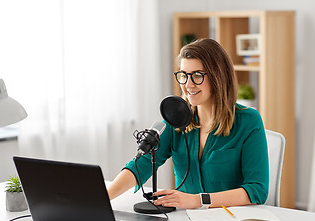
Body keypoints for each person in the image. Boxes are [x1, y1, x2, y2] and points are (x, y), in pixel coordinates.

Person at [107, 38, 269, 209]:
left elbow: (257, 190)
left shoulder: (249, 121)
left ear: (218, 77)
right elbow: (142, 164)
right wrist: (104, 198)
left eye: (197, 75)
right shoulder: (177, 118)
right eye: (183, 75)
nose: (188, 84)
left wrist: (198, 200)